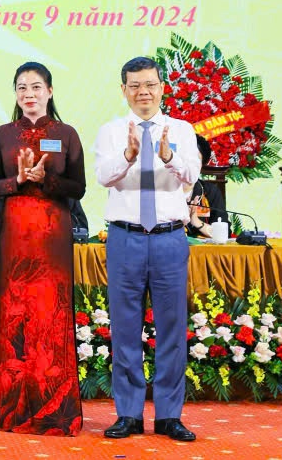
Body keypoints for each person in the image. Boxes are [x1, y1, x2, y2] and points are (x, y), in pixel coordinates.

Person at [93, 56, 200, 442]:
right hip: (125, 238)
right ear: (123, 90)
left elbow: (192, 174)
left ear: (162, 88)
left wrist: (168, 155)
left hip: (170, 238)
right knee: (125, 328)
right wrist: (128, 155)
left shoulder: (182, 129)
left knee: (172, 328)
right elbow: (103, 177)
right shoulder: (110, 131)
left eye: (150, 84)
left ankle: (170, 415)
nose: (143, 92)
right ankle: (129, 414)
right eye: (135, 85)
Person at [0, 62, 85, 436]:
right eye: (22, 87)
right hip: (15, 233)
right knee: (16, 314)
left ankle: (56, 412)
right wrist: (16, 180)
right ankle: (14, 411)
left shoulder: (66, 133)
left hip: (53, 235)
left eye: (36, 87)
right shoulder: (3, 134)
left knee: (50, 314)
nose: (29, 94)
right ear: (15, 94)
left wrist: (48, 180)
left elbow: (79, 187)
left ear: (50, 91)